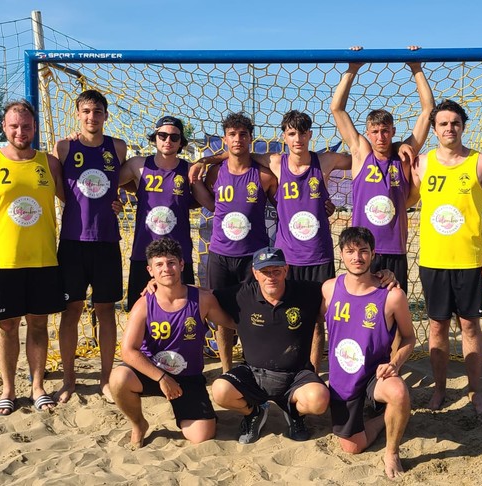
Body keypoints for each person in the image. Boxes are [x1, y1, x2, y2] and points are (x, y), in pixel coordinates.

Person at [190, 109, 349, 373]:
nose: (297, 138)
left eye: (302, 133)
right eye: (291, 133)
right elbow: (240, 154)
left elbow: (362, 157)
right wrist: (206, 160)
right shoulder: (274, 163)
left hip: (314, 253)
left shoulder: (321, 161)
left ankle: (309, 372)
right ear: (284, 136)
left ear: (310, 135)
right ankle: (230, 370)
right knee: (229, 313)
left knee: (314, 318)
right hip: (275, 256)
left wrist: (401, 148)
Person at [0, 100, 65, 415]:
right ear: (4, 128)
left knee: (39, 324)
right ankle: (7, 389)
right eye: (14, 126)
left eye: (27, 126)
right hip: (3, 261)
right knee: (7, 326)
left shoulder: (49, 163)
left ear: (34, 127)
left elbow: (76, 198)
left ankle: (37, 387)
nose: (21, 131)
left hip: (44, 259)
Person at [412, 99, 482, 415]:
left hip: (470, 261)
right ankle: (439, 390)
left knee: (470, 327)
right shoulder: (422, 164)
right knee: (436, 328)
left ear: (463, 126)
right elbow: (402, 197)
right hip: (433, 261)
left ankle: (475, 392)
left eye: (455, 123)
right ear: (434, 129)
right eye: (443, 123)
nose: (449, 128)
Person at [109, 238, 234, 446]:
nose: (166, 269)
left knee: (201, 436)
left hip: (188, 377)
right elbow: (128, 351)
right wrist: (161, 378)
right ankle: (139, 423)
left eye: (171, 263)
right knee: (118, 378)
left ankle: (187, 408)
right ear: (150, 270)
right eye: (159, 265)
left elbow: (231, 322)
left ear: (182, 265)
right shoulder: (144, 304)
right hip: (153, 373)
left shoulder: (202, 299)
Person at [331, 46, 435, 293]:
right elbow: (337, 109)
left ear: (393, 132)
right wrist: (352, 70)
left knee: (395, 313)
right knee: (364, 311)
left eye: (385, 130)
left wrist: (416, 68)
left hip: (395, 249)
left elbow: (428, 111)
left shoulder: (404, 155)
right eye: (375, 132)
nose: (380, 136)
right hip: (363, 251)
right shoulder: (361, 153)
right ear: (368, 133)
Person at [321, 226, 416, 480]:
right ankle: (385, 419)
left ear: (373, 254)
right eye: (350, 251)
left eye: (363, 251)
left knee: (398, 391)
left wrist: (395, 363)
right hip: (343, 380)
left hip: (375, 375)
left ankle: (392, 451)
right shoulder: (329, 288)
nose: (357, 257)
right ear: (341, 254)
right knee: (352, 447)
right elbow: (314, 328)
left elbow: (409, 337)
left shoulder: (392, 295)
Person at [211, 246, 330, 444]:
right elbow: (200, 295)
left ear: (286, 270)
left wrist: (382, 275)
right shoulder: (241, 294)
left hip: (296, 375)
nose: (271, 277)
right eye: (265, 272)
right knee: (220, 391)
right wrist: (158, 285)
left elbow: (341, 286)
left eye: (276, 271)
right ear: (255, 273)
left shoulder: (307, 291)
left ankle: (293, 413)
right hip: (254, 374)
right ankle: (254, 412)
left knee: (319, 400)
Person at [53, 89, 128, 404]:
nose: (91, 117)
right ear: (78, 114)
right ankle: (69, 380)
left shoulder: (119, 147)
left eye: (97, 112)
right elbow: (60, 190)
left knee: (106, 310)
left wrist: (119, 202)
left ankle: (106, 380)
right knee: (70, 312)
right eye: (85, 112)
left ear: (105, 115)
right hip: (72, 242)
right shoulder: (64, 147)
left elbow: (126, 183)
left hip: (107, 241)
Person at [201, 112, 278, 372]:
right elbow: (207, 200)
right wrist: (194, 175)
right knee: (222, 317)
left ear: (250, 138)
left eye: (242, 134)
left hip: (253, 258)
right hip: (220, 256)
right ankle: (226, 370)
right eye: (232, 134)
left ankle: (252, 365)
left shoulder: (265, 176)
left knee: (254, 314)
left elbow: (286, 206)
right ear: (225, 139)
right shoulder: (213, 173)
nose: (237, 139)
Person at [119, 116, 211, 311]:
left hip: (178, 256)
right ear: (155, 138)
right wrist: (115, 201)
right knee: (141, 312)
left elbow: (211, 204)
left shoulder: (188, 171)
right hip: (143, 254)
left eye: (174, 137)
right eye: (162, 135)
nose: (168, 140)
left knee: (181, 311)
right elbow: (106, 181)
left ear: (181, 143)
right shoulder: (138, 165)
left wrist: (207, 162)